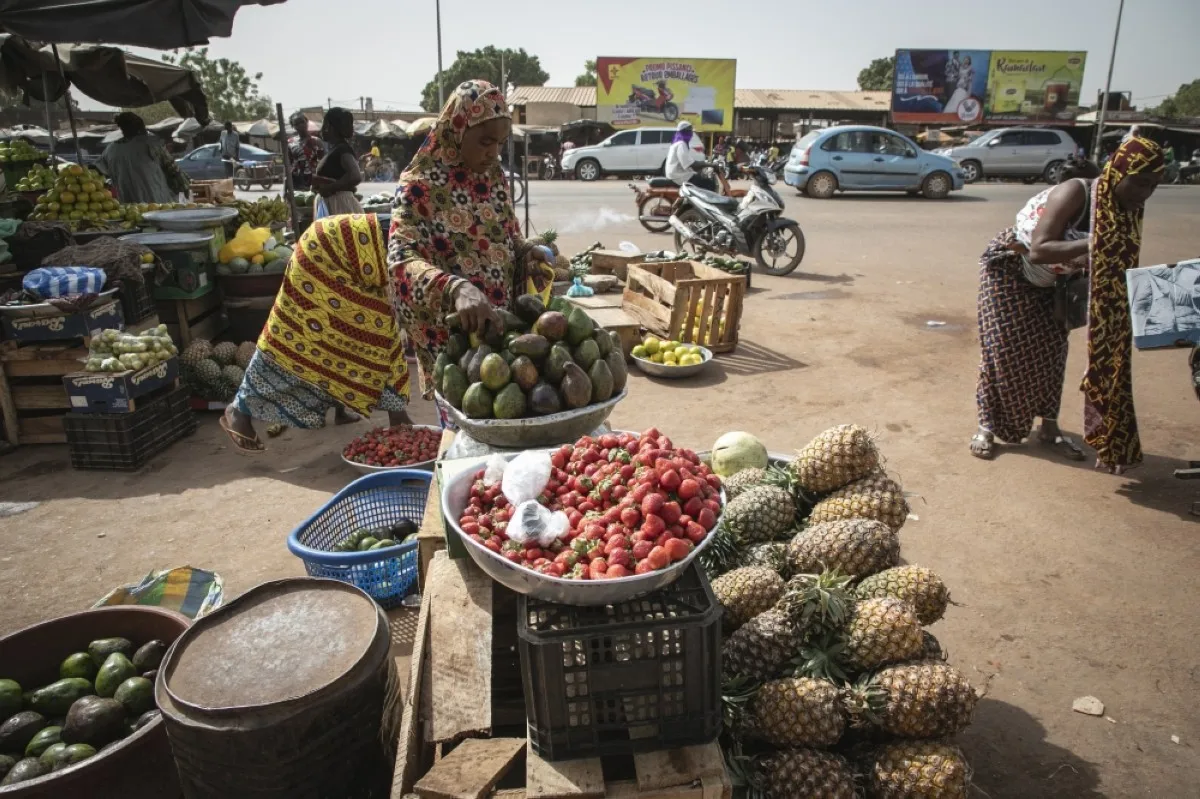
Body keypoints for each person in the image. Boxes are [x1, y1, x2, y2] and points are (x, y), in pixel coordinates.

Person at [387, 80, 555, 421]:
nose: (493, 153)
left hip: (503, 333)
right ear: (457, 131)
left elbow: (509, 238)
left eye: (500, 143)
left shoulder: (493, 178)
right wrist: (456, 287)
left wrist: (527, 253)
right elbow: (400, 261)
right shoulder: (418, 188)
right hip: (455, 345)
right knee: (467, 438)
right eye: (485, 142)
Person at [221, 214, 410, 452]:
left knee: (366, 333)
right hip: (322, 252)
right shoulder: (418, 239)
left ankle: (351, 409)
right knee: (296, 336)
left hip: (355, 259)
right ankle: (238, 411)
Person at [970, 156, 1098, 461]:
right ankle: (986, 427)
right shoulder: (1053, 206)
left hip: (1056, 283)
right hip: (1009, 273)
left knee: (1054, 350)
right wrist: (1093, 244)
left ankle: (1049, 427)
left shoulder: (1102, 210)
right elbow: (1039, 250)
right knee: (999, 350)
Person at [1080, 134, 1164, 474]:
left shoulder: (1130, 213)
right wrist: (1093, 244)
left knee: (1115, 365)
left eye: (1152, 187)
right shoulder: (1081, 194)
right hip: (1029, 281)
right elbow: (1039, 247)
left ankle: (1112, 442)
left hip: (1109, 305)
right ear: (1119, 171)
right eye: (1140, 183)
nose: (1144, 195)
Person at [95, 112, 189, 205]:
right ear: (140, 128)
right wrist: (184, 188)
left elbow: (97, 170)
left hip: (128, 205)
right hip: (157, 202)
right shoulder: (151, 144)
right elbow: (173, 170)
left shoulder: (111, 149)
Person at [311, 107, 363, 218]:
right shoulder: (334, 150)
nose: (322, 129)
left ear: (329, 127)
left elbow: (355, 176)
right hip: (333, 205)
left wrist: (329, 188)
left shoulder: (342, 149)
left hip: (339, 206)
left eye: (324, 124)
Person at [665, 120, 717, 191]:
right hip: (677, 176)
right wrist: (709, 164)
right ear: (686, 131)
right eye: (690, 131)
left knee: (699, 177)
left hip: (675, 174)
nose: (692, 133)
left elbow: (688, 162)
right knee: (709, 184)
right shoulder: (681, 144)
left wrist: (702, 166)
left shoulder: (676, 143)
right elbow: (690, 164)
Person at [288, 112, 324, 191]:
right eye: (296, 124)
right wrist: (286, 188)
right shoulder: (290, 143)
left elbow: (324, 162)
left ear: (307, 122)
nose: (300, 125)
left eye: (302, 122)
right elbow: (287, 165)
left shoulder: (316, 141)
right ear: (293, 126)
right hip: (296, 180)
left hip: (313, 180)